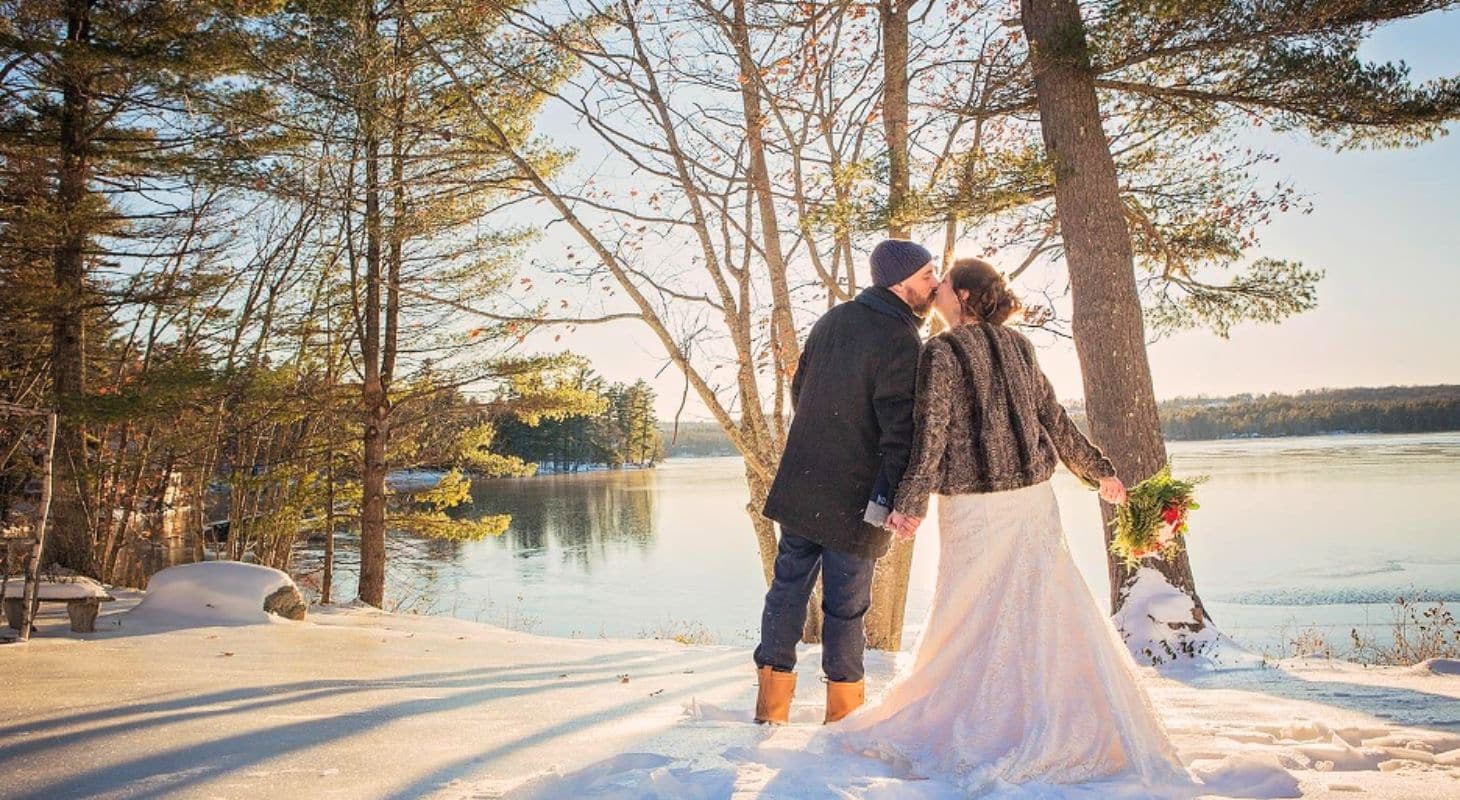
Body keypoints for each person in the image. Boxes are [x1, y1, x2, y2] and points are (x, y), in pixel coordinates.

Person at [834, 257, 1190, 794]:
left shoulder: (942, 353)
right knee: (1044, 608)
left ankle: (992, 723)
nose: (937, 297)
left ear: (966, 299)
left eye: (945, 288)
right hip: (1031, 503)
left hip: (975, 509)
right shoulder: (1021, 345)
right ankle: (1043, 716)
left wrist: (909, 504)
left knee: (968, 615)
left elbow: (931, 436)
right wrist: (1100, 474)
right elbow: (1056, 420)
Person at [753, 239, 939, 725]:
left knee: (787, 591)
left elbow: (801, 391)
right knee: (846, 609)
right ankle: (842, 718)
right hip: (857, 496)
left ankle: (770, 710)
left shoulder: (832, 320)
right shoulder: (900, 339)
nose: (934, 285)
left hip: (803, 483)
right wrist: (900, 497)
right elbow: (902, 431)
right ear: (899, 283)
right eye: (926, 276)